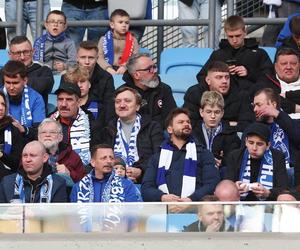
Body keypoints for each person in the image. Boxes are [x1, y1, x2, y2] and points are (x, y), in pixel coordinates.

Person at [141, 108, 220, 202]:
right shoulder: (157, 157)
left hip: (194, 210)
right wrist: (162, 197)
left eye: (188, 122)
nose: (186, 124)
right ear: (170, 129)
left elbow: (212, 184)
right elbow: (146, 188)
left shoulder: (203, 153)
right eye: (181, 122)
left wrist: (192, 199)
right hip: (163, 211)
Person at [100, 87, 163, 183]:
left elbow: (159, 156)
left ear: (138, 106)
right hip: (112, 180)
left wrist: (141, 170)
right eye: (117, 102)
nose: (122, 105)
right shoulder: (108, 129)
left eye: (127, 101)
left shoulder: (152, 127)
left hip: (146, 180)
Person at [198, 15, 273, 92]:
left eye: (238, 36)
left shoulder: (259, 53)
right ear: (226, 34)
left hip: (250, 96)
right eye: (230, 36)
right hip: (223, 97)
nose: (234, 40)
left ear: (245, 32)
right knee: (194, 90)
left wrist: (249, 73)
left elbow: (270, 79)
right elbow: (202, 77)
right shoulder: (218, 55)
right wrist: (223, 75)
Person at [184, 61, 255, 131]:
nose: (224, 81)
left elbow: (247, 125)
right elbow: (191, 124)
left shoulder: (241, 95)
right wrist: (229, 124)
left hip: (231, 140)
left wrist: (213, 124)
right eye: (219, 77)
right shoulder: (195, 93)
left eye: (227, 77)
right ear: (208, 80)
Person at [225, 122, 288, 201]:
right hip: (239, 204)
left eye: (259, 144)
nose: (254, 148)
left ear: (268, 145)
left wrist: (267, 192)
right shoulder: (234, 156)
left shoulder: (278, 157)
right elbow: (226, 184)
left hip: (269, 205)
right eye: (251, 143)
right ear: (246, 142)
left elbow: (283, 189)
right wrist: (234, 187)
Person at [253, 88, 300, 188]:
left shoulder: (292, 123)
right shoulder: (254, 128)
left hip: (292, 172)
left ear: (273, 105)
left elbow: (297, 136)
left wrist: (277, 114)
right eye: (254, 105)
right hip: (267, 172)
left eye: (259, 105)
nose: (255, 109)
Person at [50, 81, 101, 166]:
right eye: (60, 99)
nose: (63, 104)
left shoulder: (92, 124)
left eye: (69, 100)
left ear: (79, 102)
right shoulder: (48, 122)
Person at [70, 144, 142, 202]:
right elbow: (74, 217)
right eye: (104, 158)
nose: (109, 161)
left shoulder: (126, 185)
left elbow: (132, 215)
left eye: (111, 158)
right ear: (93, 162)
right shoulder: (79, 187)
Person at [0, 141, 67, 203]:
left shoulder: (58, 183)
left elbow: (59, 214)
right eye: (25, 156)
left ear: (45, 158)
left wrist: (34, 215)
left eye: (33, 155)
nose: (28, 159)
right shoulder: (7, 182)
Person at [121, 53, 177, 128]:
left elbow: (172, 118)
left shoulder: (164, 89)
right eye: (149, 69)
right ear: (136, 75)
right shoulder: (123, 94)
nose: (154, 71)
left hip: (161, 135)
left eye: (154, 67)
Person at [193, 91, 241, 174]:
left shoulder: (231, 134)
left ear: (222, 113)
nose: (213, 116)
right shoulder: (193, 132)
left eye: (217, 112)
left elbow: (234, 159)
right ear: (201, 112)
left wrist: (222, 162)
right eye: (209, 112)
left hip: (221, 173)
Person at [2, 60, 45, 141]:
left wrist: (23, 129)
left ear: (25, 81)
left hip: (27, 142)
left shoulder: (36, 98)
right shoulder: (0, 96)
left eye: (15, 83)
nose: (11, 87)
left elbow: (40, 132)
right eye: (8, 82)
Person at [7, 35, 54, 107]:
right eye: (17, 53)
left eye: (26, 52)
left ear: (33, 52)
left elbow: (41, 88)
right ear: (10, 55)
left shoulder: (44, 71)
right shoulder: (2, 73)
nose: (22, 57)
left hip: (36, 116)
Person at [75, 41, 115, 125]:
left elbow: (109, 108)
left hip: (99, 123)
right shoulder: (67, 77)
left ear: (97, 58)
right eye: (83, 57)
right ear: (77, 58)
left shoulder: (106, 78)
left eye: (91, 58)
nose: (87, 62)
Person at [254, 47, 300, 118]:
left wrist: (288, 95)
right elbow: (266, 101)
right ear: (276, 67)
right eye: (284, 64)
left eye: (293, 63)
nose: (288, 67)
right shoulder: (266, 82)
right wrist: (296, 107)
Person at [38, 118, 85, 184]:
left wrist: (69, 173)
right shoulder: (30, 153)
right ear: (38, 137)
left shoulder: (72, 155)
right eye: (43, 132)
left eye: (52, 132)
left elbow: (84, 183)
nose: (47, 135)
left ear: (60, 137)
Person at [97, 9, 139, 75]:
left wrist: (125, 67)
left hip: (126, 70)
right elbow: (99, 57)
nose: (124, 25)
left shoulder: (133, 40)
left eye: (127, 23)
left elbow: (135, 57)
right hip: (106, 70)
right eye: (120, 22)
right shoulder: (103, 39)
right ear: (112, 25)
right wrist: (108, 68)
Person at [0, 91, 24, 179]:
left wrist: (2, 155)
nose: (1, 108)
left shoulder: (13, 130)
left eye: (3, 104)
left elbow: (16, 162)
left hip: (6, 177)